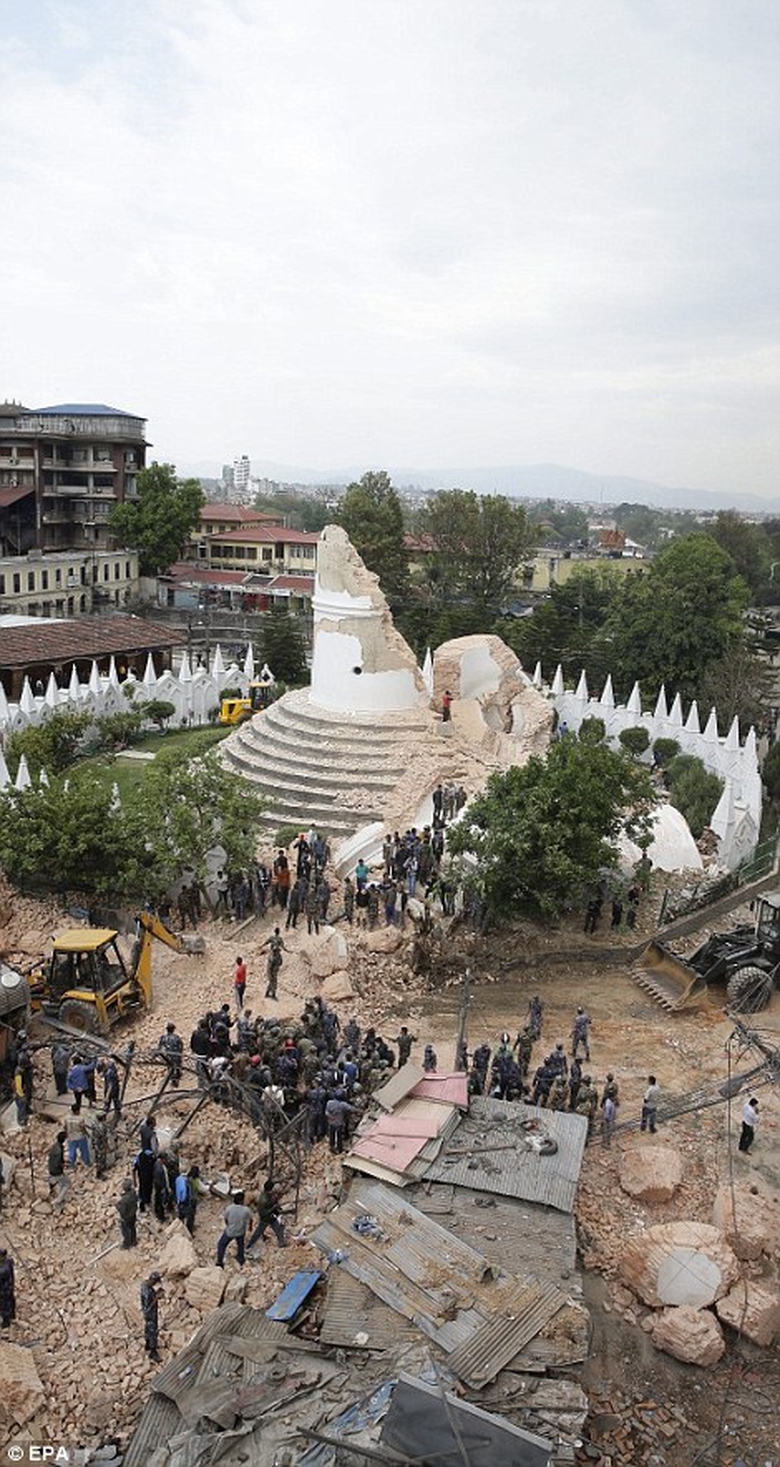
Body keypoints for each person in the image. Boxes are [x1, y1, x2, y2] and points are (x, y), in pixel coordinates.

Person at [247, 1179, 288, 1252]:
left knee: (277, 1229)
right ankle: (250, 1244)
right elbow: (263, 1212)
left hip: (270, 1215)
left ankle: (282, 1243)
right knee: (259, 1231)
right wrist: (273, 1208)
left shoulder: (268, 1195)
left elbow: (272, 1203)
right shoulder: (263, 1199)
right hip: (266, 1217)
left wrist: (275, 1207)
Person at [216, 1190, 254, 1268]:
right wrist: (250, 1227)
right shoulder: (246, 1210)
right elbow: (251, 1219)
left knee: (221, 1244)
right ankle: (240, 1259)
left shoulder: (229, 1208)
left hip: (230, 1231)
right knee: (240, 1245)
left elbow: (225, 1219)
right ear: (241, 1201)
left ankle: (220, 1262)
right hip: (241, 1231)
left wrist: (228, 1225)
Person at [140, 1271, 163, 1362]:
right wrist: (156, 1298)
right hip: (150, 1315)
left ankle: (148, 1345)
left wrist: (155, 1294)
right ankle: (153, 1352)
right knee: (152, 1331)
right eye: (155, 1282)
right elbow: (147, 1308)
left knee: (148, 1329)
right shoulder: (147, 1292)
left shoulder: (145, 1285)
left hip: (150, 1314)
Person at [261, 928, 287, 1000]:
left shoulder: (272, 938)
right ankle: (273, 994)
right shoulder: (280, 940)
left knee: (271, 979)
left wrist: (261, 946)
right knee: (274, 980)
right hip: (274, 965)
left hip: (271, 965)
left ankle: (268, 993)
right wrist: (287, 951)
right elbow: (283, 947)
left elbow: (266, 942)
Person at [48, 1129, 70, 1213]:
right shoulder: (59, 1150)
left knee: (61, 1183)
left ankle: (61, 1197)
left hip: (51, 1168)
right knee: (67, 1183)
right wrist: (64, 1165)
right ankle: (58, 1200)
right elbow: (57, 1163)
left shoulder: (55, 1146)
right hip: (56, 1171)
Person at [175, 1166, 202, 1235]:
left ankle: (178, 1230)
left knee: (181, 1217)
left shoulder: (178, 1179)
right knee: (190, 1218)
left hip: (179, 1201)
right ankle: (189, 1233)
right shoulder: (187, 1181)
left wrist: (179, 1200)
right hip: (187, 1203)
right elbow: (185, 1193)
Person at [116, 1177, 138, 1248]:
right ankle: (134, 1241)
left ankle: (126, 1244)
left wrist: (117, 1205)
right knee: (132, 1228)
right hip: (133, 1214)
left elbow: (122, 1211)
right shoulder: (133, 1193)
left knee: (125, 1231)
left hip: (126, 1217)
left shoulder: (124, 1200)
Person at [0, 1249, 15, 1328]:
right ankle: (11, 1315)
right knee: (10, 1302)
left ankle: (6, 1322)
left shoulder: (3, 1270)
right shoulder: (9, 1262)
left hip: (4, 1290)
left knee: (5, 1305)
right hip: (9, 1287)